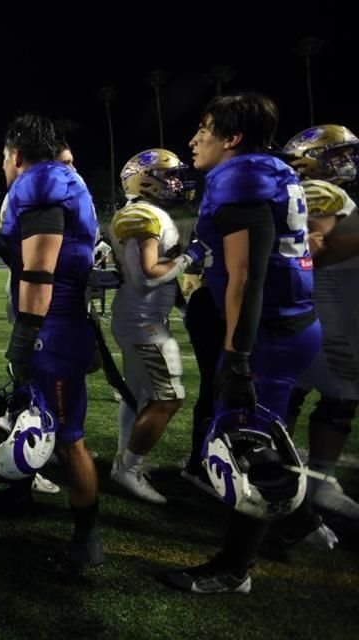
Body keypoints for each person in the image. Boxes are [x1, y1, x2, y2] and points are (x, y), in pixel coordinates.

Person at [161, 93, 325, 594]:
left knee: (250, 446)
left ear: (232, 138)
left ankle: (235, 568)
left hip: (270, 332)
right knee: (250, 434)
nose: (194, 139)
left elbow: (246, 276)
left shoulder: (241, 176)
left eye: (205, 129)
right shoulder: (268, 170)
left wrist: (237, 356)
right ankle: (302, 523)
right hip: (288, 324)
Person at [1, 115, 102, 571]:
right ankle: (21, 495)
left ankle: (86, 541)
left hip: (52, 328)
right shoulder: (62, 179)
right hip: (60, 322)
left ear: (16, 155)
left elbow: (41, 267)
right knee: (36, 418)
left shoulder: (40, 182)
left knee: (67, 438)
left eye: (5, 157)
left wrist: (25, 334)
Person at [109, 149, 204, 504]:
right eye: (170, 176)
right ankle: (129, 468)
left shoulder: (148, 213)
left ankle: (124, 460)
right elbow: (147, 278)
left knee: (138, 394)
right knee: (168, 396)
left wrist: (180, 304)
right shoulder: (142, 215)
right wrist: (190, 257)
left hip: (142, 317)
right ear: (145, 179)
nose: (177, 183)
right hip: (142, 321)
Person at [282, 125, 359, 519]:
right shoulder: (320, 193)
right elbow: (316, 252)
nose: (346, 162)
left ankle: (306, 480)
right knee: (335, 397)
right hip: (327, 311)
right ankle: (304, 482)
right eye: (337, 154)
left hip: (327, 309)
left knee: (322, 396)